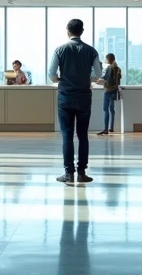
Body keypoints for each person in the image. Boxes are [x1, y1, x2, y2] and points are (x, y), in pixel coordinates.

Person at [48, 19, 104, 184]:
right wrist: (85, 78)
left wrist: (61, 78)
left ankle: (68, 173)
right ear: (82, 31)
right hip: (84, 97)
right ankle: (81, 172)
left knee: (67, 135)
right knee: (82, 135)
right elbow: (98, 74)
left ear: (68, 30)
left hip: (65, 96)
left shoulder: (60, 50)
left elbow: (51, 74)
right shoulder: (91, 51)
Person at [98, 54, 122, 136]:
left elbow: (105, 78)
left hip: (108, 91)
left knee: (105, 109)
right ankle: (111, 127)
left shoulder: (109, 67)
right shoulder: (118, 69)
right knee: (112, 109)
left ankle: (105, 129)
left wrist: (97, 80)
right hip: (115, 91)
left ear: (108, 59)